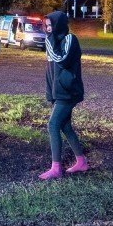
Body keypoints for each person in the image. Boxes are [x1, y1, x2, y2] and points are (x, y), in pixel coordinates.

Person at [39, 11, 89, 180]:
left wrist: (51, 40)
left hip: (69, 91)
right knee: (65, 126)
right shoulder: (50, 41)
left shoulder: (70, 40)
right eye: (46, 26)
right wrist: (50, 93)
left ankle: (56, 168)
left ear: (58, 24)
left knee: (52, 124)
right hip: (58, 92)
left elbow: (61, 60)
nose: (47, 29)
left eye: (50, 25)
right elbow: (50, 70)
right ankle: (81, 162)